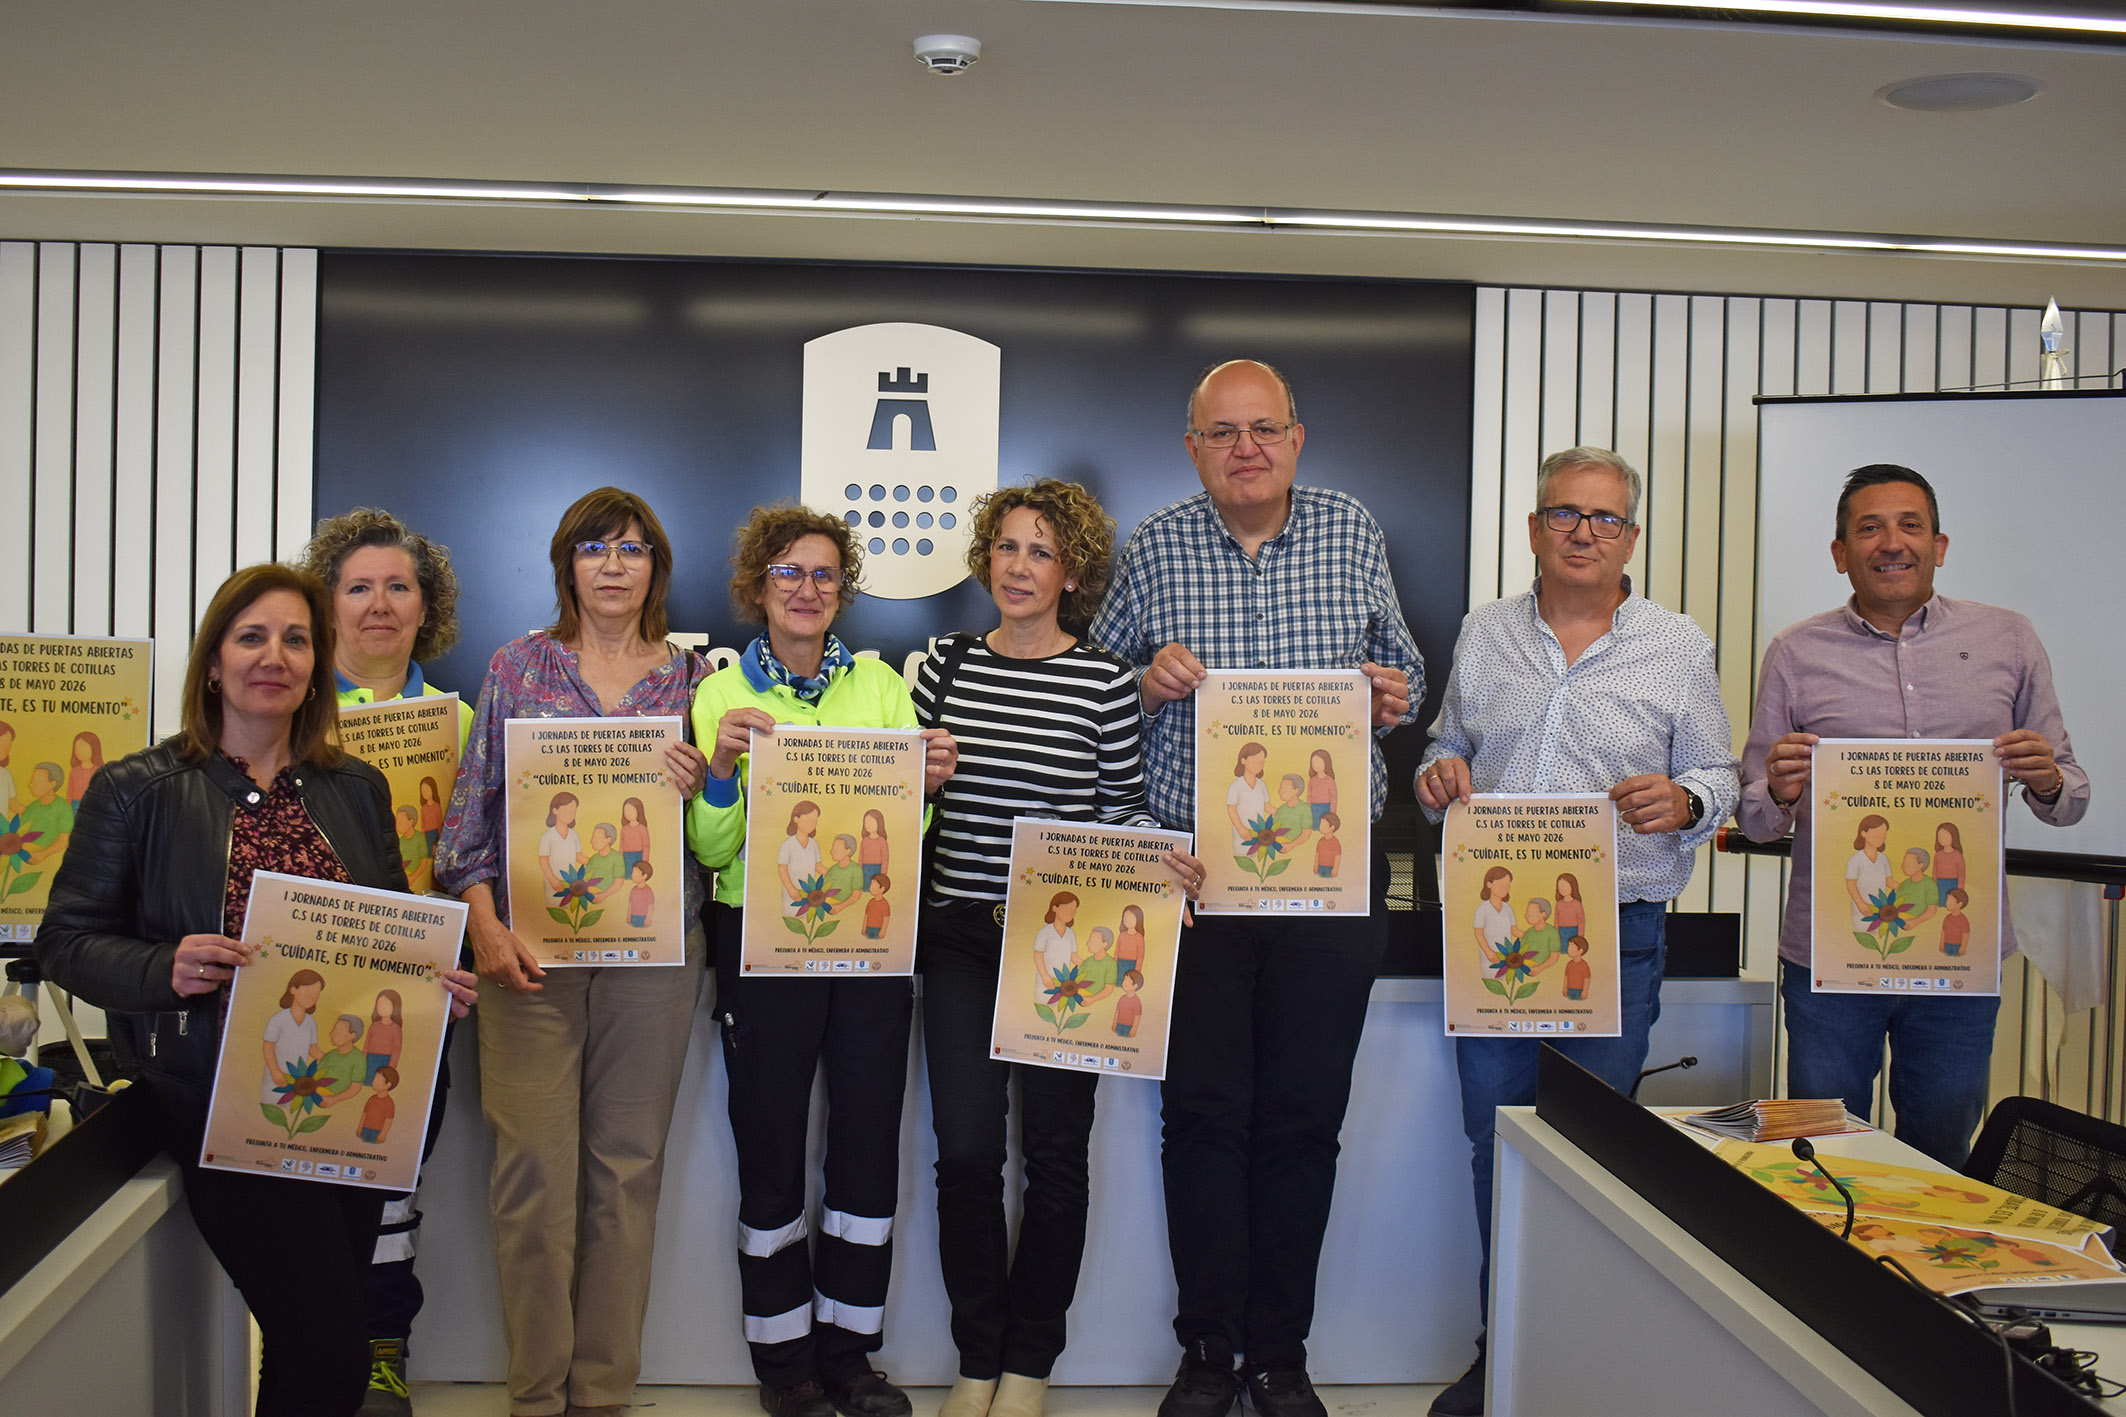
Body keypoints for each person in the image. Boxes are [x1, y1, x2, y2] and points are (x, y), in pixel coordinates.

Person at [37, 561, 476, 1417]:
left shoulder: (356, 788)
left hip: (342, 1111)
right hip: (220, 1111)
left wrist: (434, 979)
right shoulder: (138, 790)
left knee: (313, 1350)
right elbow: (66, 941)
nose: (274, 656)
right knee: (331, 1351)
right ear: (213, 662)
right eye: (251, 637)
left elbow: (389, 926)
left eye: (296, 639)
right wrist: (163, 966)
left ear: (317, 665)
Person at [1087, 359, 1420, 1417]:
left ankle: (1279, 1355)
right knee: (1200, 1117)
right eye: (1222, 432)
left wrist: (1389, 693)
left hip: (1329, 883)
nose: (1245, 448)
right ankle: (1206, 1349)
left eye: (1263, 429)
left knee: (1303, 1120)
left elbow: (1403, 672)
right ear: (1192, 448)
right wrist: (1144, 686)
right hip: (1195, 881)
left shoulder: (1350, 531)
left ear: (1295, 437)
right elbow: (1092, 692)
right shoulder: (1153, 546)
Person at [1416, 446, 1738, 1416]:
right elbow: (1446, 745)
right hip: (1494, 938)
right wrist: (1437, 774)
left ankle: (1578, 1371)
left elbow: (1719, 774)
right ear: (1533, 528)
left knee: (1594, 1156)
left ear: (1630, 537)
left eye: (1603, 518)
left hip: (1617, 933)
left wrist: (1684, 799)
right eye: (1564, 513)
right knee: (1496, 1144)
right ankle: (1504, 1356)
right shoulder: (1483, 633)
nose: (1583, 532)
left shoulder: (1676, 643)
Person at [913, 477, 1201, 1417]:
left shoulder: (1107, 681)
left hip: (1065, 945)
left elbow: (1122, 810)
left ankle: (1030, 1363)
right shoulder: (944, 666)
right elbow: (900, 807)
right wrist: (917, 780)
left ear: (1071, 574)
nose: (1020, 566)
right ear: (985, 560)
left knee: (1054, 1155)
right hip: (961, 938)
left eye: (1042, 551)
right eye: (1007, 546)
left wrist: (1162, 860)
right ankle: (977, 1357)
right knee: (965, 1155)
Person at [434, 487, 711, 1417]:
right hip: (528, 957)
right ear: (567, 565)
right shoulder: (518, 667)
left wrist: (706, 780)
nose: (613, 565)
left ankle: (602, 1392)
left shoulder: (694, 680)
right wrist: (484, 924)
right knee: (532, 1177)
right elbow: (467, 823)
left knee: (626, 1175)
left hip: (654, 961)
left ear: (655, 567)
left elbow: (721, 838)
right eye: (595, 548)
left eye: (632, 549)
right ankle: (536, 1394)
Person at [686, 504, 958, 1417]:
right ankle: (785, 1363)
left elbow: (905, 833)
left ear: (843, 590)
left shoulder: (880, 687)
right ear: (757, 586)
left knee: (867, 1139)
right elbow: (713, 848)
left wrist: (925, 785)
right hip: (762, 941)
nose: (806, 589)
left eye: (824, 574)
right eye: (788, 572)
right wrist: (719, 773)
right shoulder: (721, 693)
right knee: (769, 1141)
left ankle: (849, 1352)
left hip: (869, 945)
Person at [1739, 463, 2087, 1170]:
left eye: (1910, 525)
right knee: (1823, 1153)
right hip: (1831, 959)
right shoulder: (1795, 653)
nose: (1891, 542)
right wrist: (1775, 788)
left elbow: (2071, 797)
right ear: (1840, 552)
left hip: (1958, 958)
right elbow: (1754, 818)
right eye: (1869, 528)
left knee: (1942, 1149)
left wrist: (2047, 777)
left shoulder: (2009, 639)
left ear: (1939, 545)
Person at [300, 505, 473, 1415]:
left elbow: (487, 860)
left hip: (417, 993)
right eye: (358, 586)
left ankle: (380, 1352)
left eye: (398, 587)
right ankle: (308, 1354)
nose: (379, 604)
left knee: (392, 1171)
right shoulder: (286, 714)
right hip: (302, 980)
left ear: (425, 606)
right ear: (326, 603)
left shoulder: (463, 722)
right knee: (299, 1173)